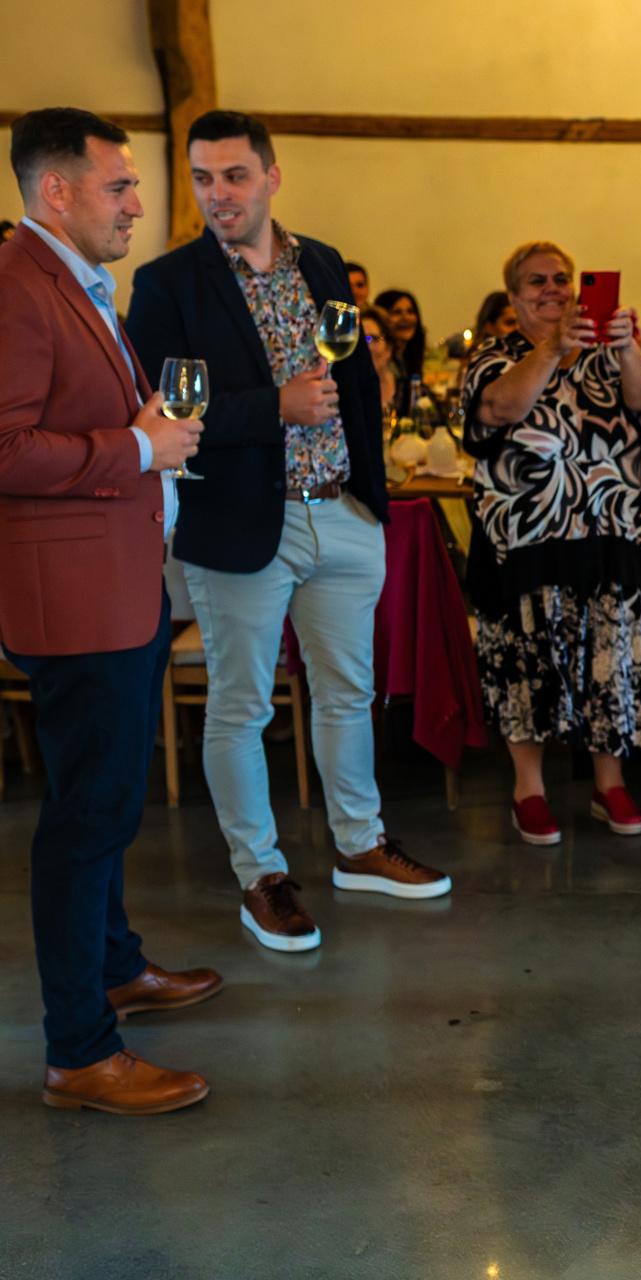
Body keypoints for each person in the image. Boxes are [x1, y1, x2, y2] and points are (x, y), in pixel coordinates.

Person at [125, 110, 450, 951]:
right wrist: (277, 406)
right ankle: (260, 876)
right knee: (239, 707)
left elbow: (354, 381)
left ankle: (360, 845)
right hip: (240, 522)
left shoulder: (324, 263)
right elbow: (173, 411)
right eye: (202, 178)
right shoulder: (166, 284)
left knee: (347, 693)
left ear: (271, 177)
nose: (218, 194)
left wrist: (370, 494)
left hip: (340, 511)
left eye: (234, 175)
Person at [1, 106, 217, 1115]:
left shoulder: (69, 279)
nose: (137, 204)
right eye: (119, 186)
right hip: (76, 604)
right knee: (88, 818)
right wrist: (138, 449)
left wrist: (149, 439)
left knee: (109, 801)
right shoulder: (17, 285)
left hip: (117, 587)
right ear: (57, 191)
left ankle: (117, 966)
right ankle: (79, 1050)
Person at [462, 240, 641, 846]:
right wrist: (551, 348)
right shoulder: (493, 356)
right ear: (513, 296)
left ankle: (609, 783)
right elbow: (502, 408)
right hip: (526, 541)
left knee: (609, 661)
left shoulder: (606, 354)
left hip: (607, 532)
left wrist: (627, 346)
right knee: (525, 665)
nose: (551, 289)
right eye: (536, 281)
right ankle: (529, 788)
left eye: (561, 279)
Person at [374, 287, 425, 376]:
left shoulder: (407, 358)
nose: (406, 318)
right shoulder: (379, 362)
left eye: (410, 311)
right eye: (397, 312)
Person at [360, 304, 402, 414]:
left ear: (389, 348)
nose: (367, 347)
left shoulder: (409, 391)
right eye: (360, 340)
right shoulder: (343, 393)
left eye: (373, 339)